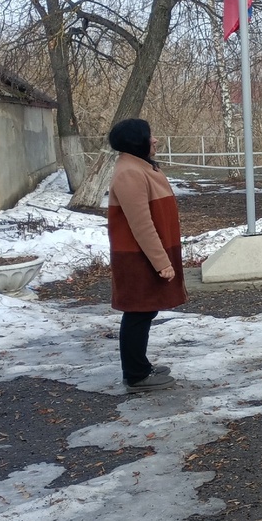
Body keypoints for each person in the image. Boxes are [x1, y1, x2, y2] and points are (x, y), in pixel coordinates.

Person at [107, 118, 186, 392]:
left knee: (144, 310)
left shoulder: (139, 166)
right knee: (138, 312)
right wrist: (162, 262)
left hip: (144, 254)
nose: (155, 140)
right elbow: (141, 224)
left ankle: (140, 365)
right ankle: (136, 374)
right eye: (149, 136)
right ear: (135, 141)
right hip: (137, 256)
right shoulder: (130, 172)